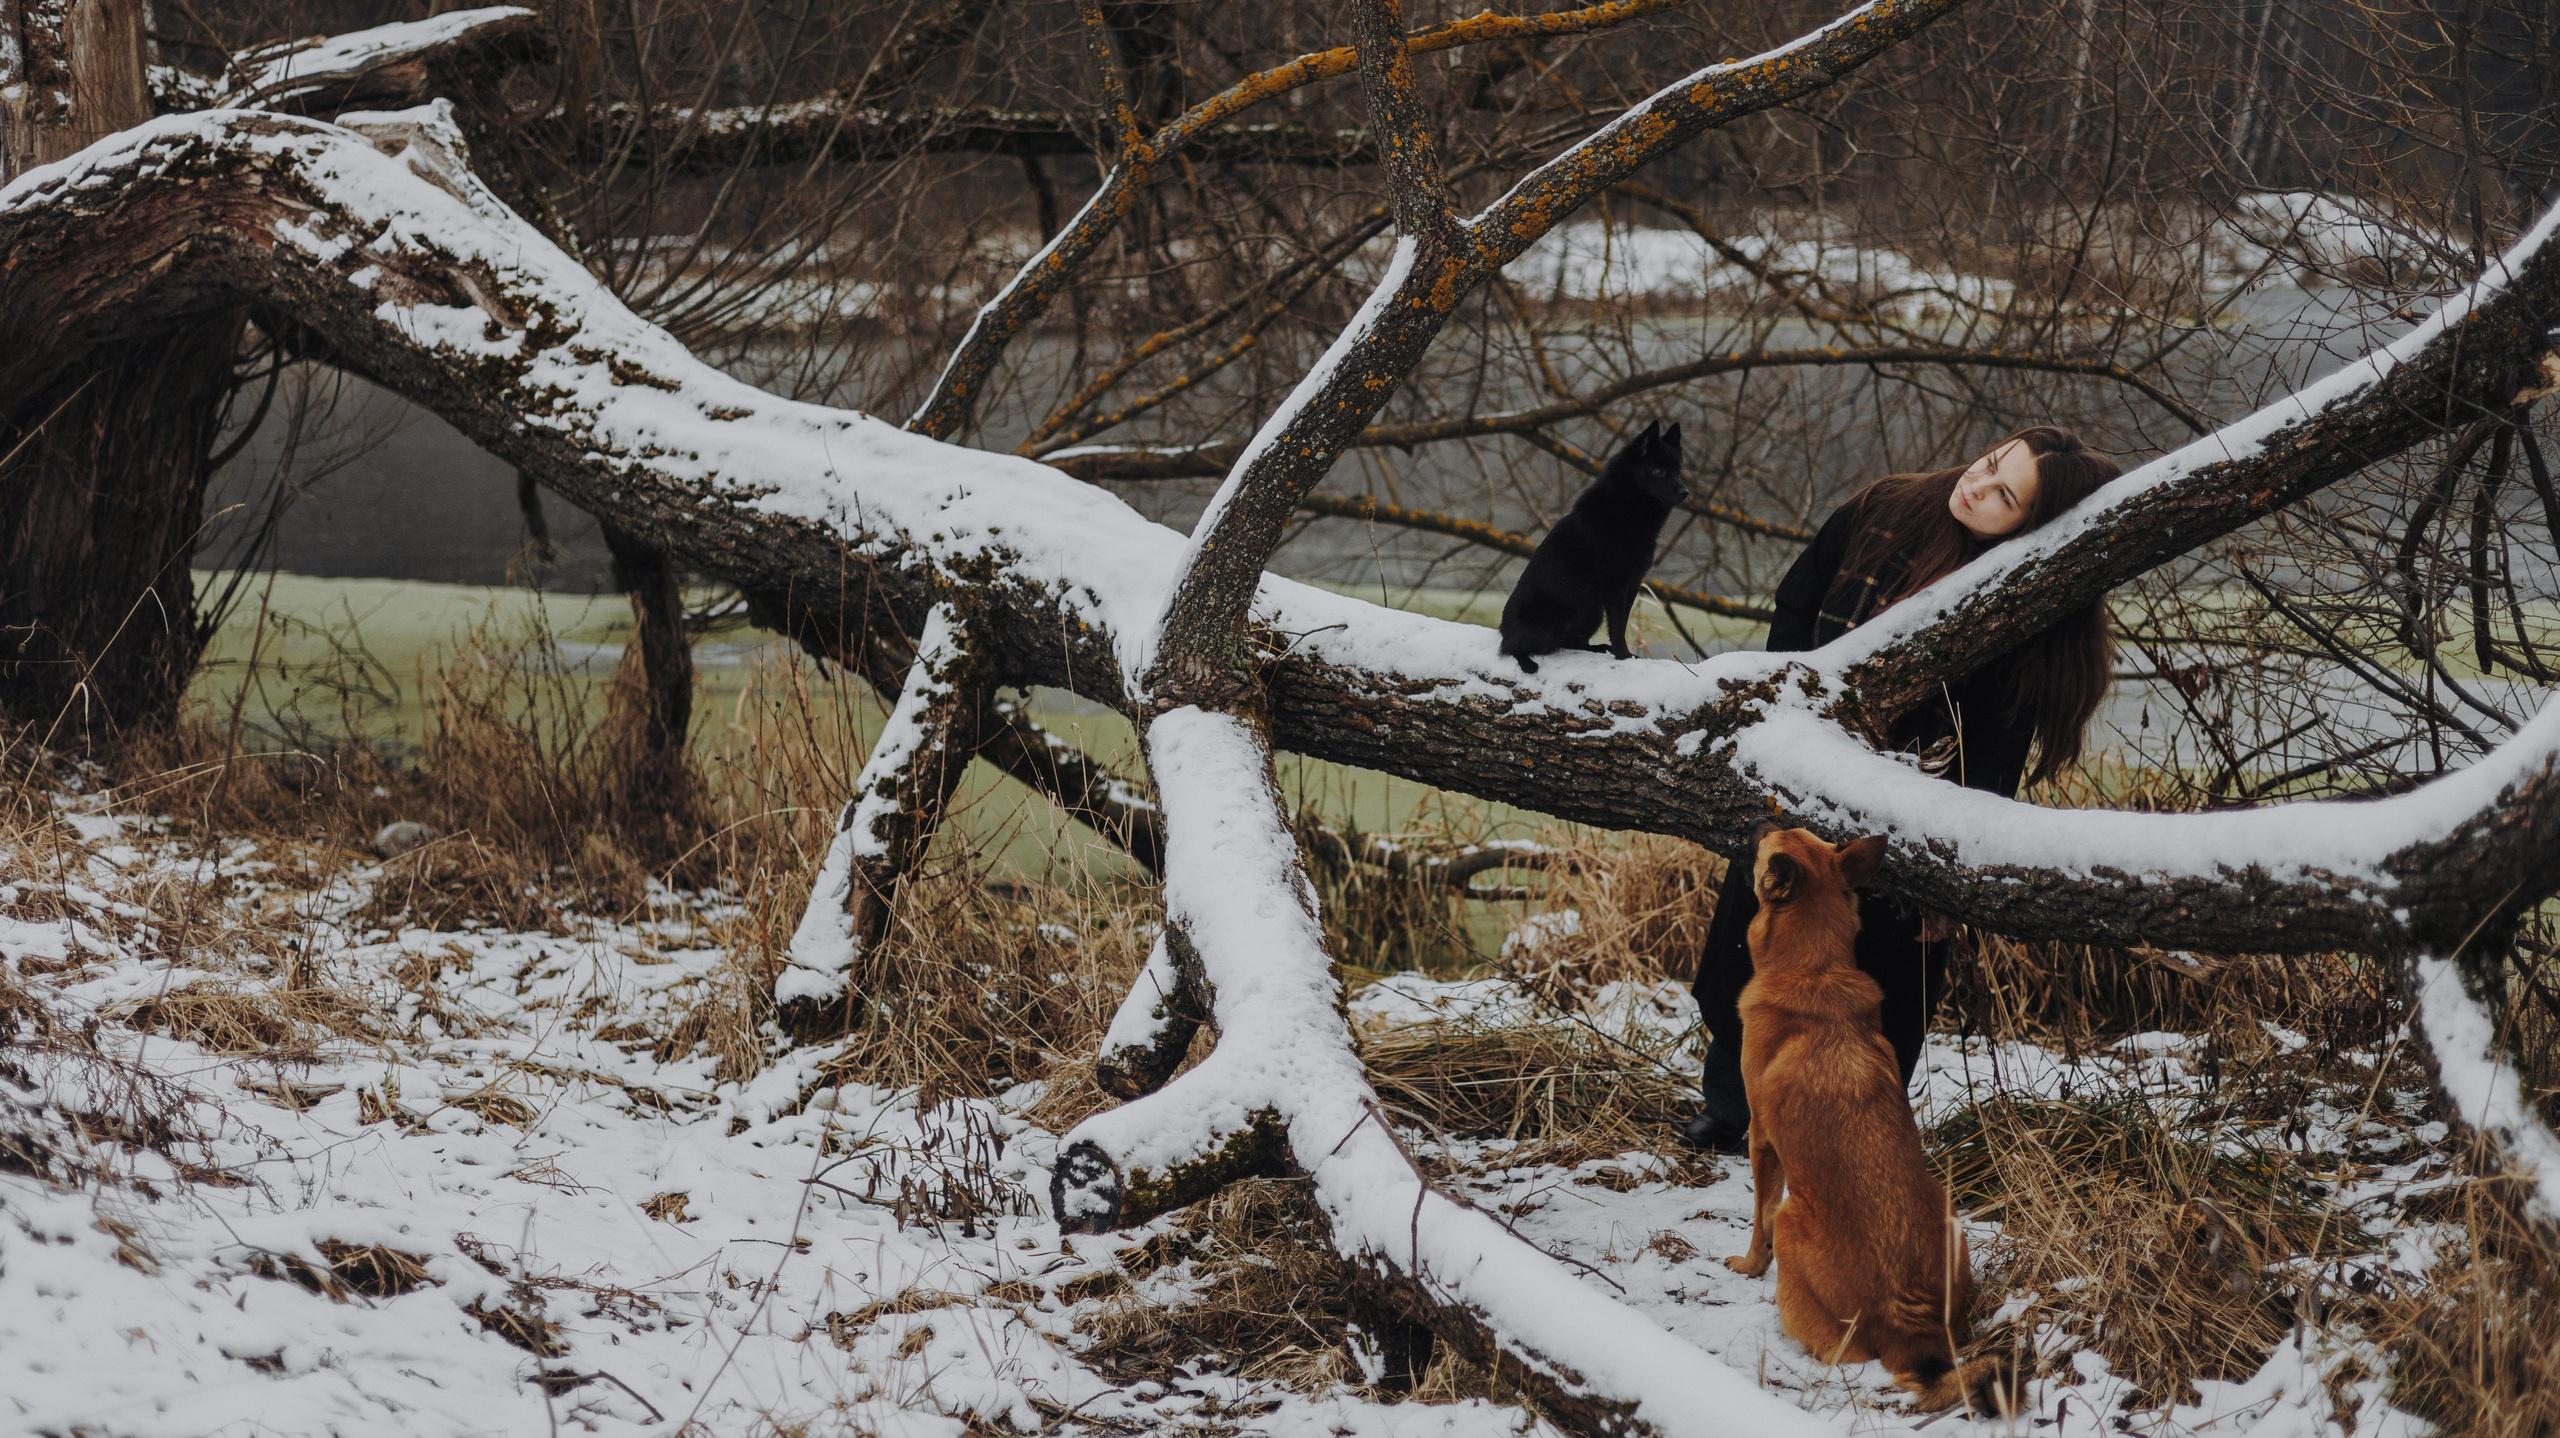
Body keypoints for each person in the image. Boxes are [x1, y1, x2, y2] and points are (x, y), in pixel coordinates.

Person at [1682, 426, 2122, 1154]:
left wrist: (1947, 877)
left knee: (1888, 976)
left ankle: (1846, 1127)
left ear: (2035, 527)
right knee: (1753, 948)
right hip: (1801, 769)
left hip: (1910, 811)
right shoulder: (1884, 508)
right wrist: (1787, 722)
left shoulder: (2027, 603)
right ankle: (1735, 1111)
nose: (1976, 485)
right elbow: (1795, 606)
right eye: (1988, 463)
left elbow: (1998, 744)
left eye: (2003, 494)